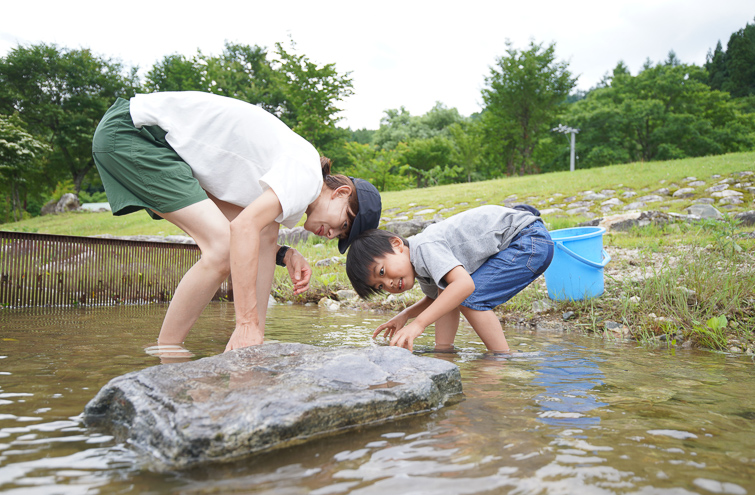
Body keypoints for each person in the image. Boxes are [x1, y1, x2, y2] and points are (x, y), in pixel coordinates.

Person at [92, 91, 381, 352]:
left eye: (341, 237)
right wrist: (245, 323)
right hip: (136, 133)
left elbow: (259, 233)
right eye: (344, 224)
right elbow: (241, 230)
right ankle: (167, 352)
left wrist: (284, 255)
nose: (332, 235)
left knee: (259, 233)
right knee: (221, 249)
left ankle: (241, 341)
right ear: (341, 193)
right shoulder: (306, 177)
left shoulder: (293, 177)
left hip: (149, 140)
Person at [345, 205, 553, 353]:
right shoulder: (420, 266)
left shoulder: (425, 247)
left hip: (528, 241)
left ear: (397, 245)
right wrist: (405, 315)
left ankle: (500, 357)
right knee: (447, 293)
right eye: (380, 286)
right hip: (523, 240)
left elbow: (463, 286)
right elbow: (439, 300)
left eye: (381, 272)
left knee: (469, 297)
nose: (388, 283)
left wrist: (419, 324)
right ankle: (444, 353)